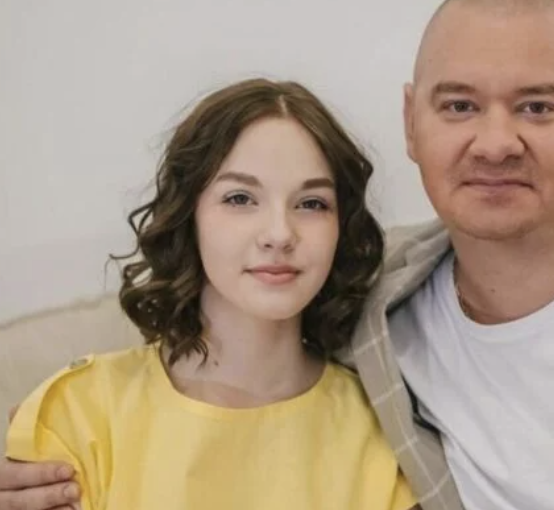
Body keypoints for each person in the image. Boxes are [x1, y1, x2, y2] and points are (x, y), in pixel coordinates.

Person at [3, 0, 554, 509]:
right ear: (412, 123)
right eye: (459, 105)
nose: (495, 141)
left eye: (537, 106)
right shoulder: (357, 296)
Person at [1, 78, 418, 510]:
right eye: (240, 198)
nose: (279, 233)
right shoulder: (79, 411)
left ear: (340, 228)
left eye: (312, 203)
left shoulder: (387, 433)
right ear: (189, 215)